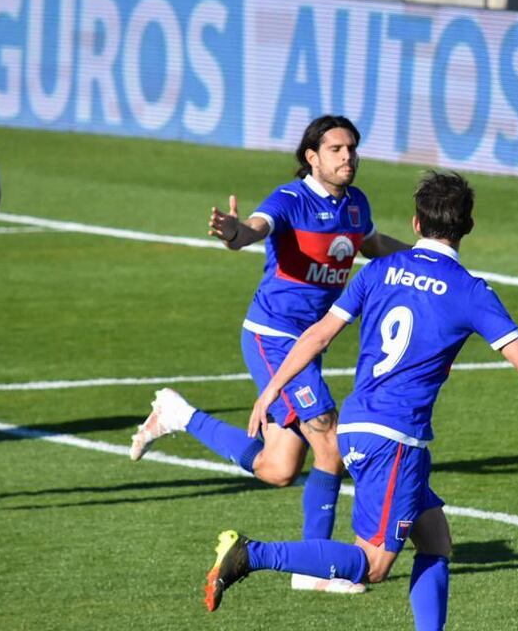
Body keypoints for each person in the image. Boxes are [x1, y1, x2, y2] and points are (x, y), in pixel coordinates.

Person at [178, 170, 518, 627]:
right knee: (373, 564)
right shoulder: (470, 290)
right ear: (469, 226)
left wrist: (272, 389)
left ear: (416, 224)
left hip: (358, 422)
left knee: (434, 538)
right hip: (396, 437)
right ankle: (253, 555)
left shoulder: (377, 271)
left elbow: (317, 336)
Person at [129, 115, 410, 592]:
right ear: (312, 157)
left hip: (309, 344)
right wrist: (234, 232)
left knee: (278, 469)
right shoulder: (290, 199)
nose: (348, 157)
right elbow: (253, 230)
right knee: (329, 441)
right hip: (273, 336)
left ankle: (178, 414)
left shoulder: (356, 205)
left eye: (352, 149)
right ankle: (313, 569)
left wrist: (425, 256)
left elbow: (373, 244)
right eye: (337, 149)